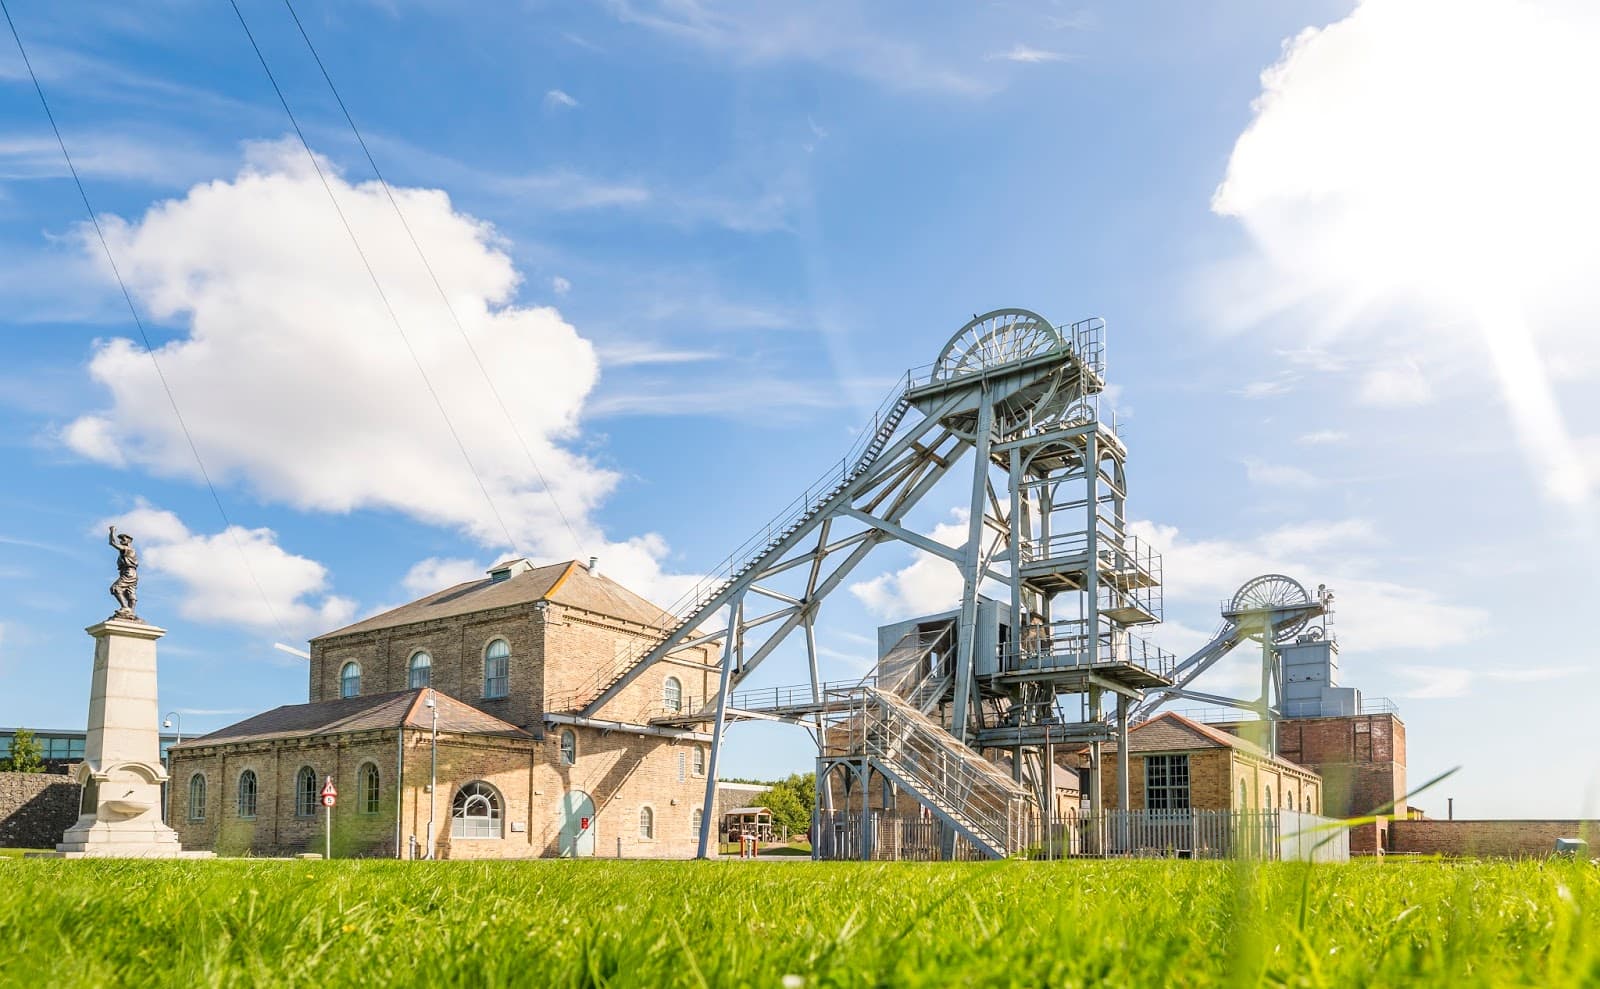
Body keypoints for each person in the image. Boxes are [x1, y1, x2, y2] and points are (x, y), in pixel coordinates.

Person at [108, 525, 139, 618]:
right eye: (120, 539)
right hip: (132, 573)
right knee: (130, 591)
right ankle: (131, 613)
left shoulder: (127, 549)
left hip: (128, 572)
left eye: (123, 539)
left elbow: (112, 543)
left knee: (115, 588)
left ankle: (125, 608)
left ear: (129, 541)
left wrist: (112, 531)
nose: (121, 541)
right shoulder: (130, 550)